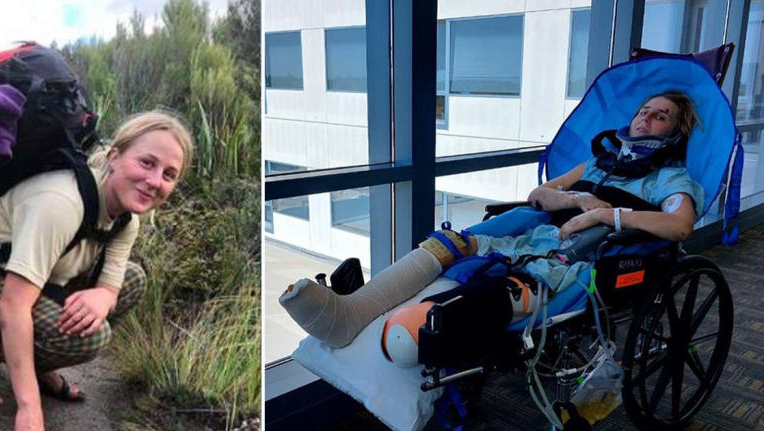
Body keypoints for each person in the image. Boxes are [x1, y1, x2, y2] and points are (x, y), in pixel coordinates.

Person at [280, 90, 704, 350]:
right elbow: (539, 194)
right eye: (643, 110)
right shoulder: (598, 162)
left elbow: (680, 226)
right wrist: (580, 199)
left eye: (659, 115)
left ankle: (395, 328)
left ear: (673, 132)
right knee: (453, 244)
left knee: (522, 281)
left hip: (583, 254)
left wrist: (609, 213)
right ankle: (354, 310)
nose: (644, 118)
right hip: (538, 230)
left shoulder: (670, 178)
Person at [0, 111, 193, 431]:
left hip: (30, 283)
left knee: (132, 280)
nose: (155, 181)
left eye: (169, 175)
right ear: (115, 156)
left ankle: (39, 364)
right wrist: (29, 409)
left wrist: (104, 296)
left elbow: (113, 284)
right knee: (91, 337)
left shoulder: (125, 220)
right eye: (147, 163)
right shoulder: (61, 202)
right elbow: (14, 307)